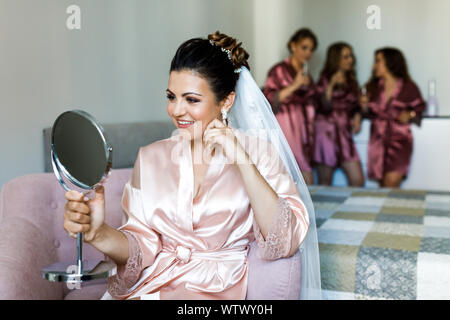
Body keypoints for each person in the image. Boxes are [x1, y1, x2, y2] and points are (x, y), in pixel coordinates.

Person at [62, 31, 321, 300]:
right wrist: (98, 233)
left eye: (192, 99)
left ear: (226, 101)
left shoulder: (259, 153)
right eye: (171, 97)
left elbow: (283, 239)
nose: (176, 110)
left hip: (216, 290)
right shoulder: (150, 157)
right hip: (153, 286)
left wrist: (240, 157)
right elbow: (141, 246)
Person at [360, 48, 426, 188]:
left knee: (391, 182)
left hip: (400, 140)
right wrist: (363, 107)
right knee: (382, 184)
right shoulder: (372, 87)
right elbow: (365, 112)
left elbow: (420, 107)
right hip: (378, 139)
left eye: (378, 61)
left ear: (390, 62)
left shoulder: (408, 87)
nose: (373, 66)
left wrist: (409, 115)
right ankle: (387, 209)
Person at [263, 28, 318, 185]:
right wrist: (296, 85)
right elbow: (269, 98)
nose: (308, 53)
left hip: (303, 126)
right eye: (304, 47)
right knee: (291, 169)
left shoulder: (305, 74)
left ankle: (302, 207)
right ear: (293, 46)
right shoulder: (278, 70)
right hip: (285, 123)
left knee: (303, 169)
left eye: (311, 49)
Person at [314, 42, 364, 186]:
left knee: (357, 180)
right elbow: (321, 106)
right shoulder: (324, 78)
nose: (350, 60)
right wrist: (331, 85)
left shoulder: (351, 81)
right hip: (326, 132)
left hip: (344, 132)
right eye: (346, 57)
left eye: (351, 56)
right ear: (336, 59)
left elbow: (356, 105)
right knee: (325, 182)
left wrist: (358, 115)